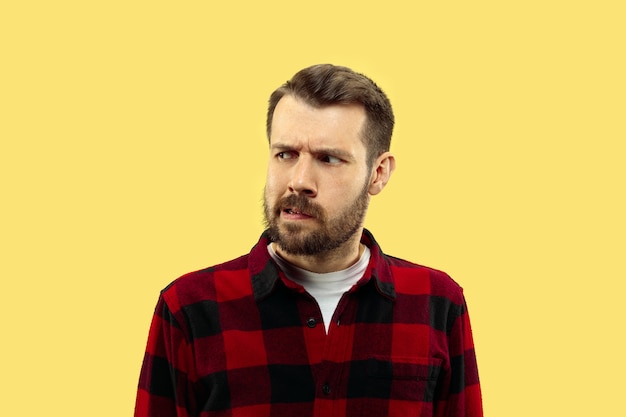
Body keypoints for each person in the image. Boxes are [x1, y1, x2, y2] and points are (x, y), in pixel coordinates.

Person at [135, 64, 483, 417]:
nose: (299, 181)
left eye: (328, 159)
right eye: (285, 154)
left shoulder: (438, 303)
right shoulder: (188, 309)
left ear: (378, 173)